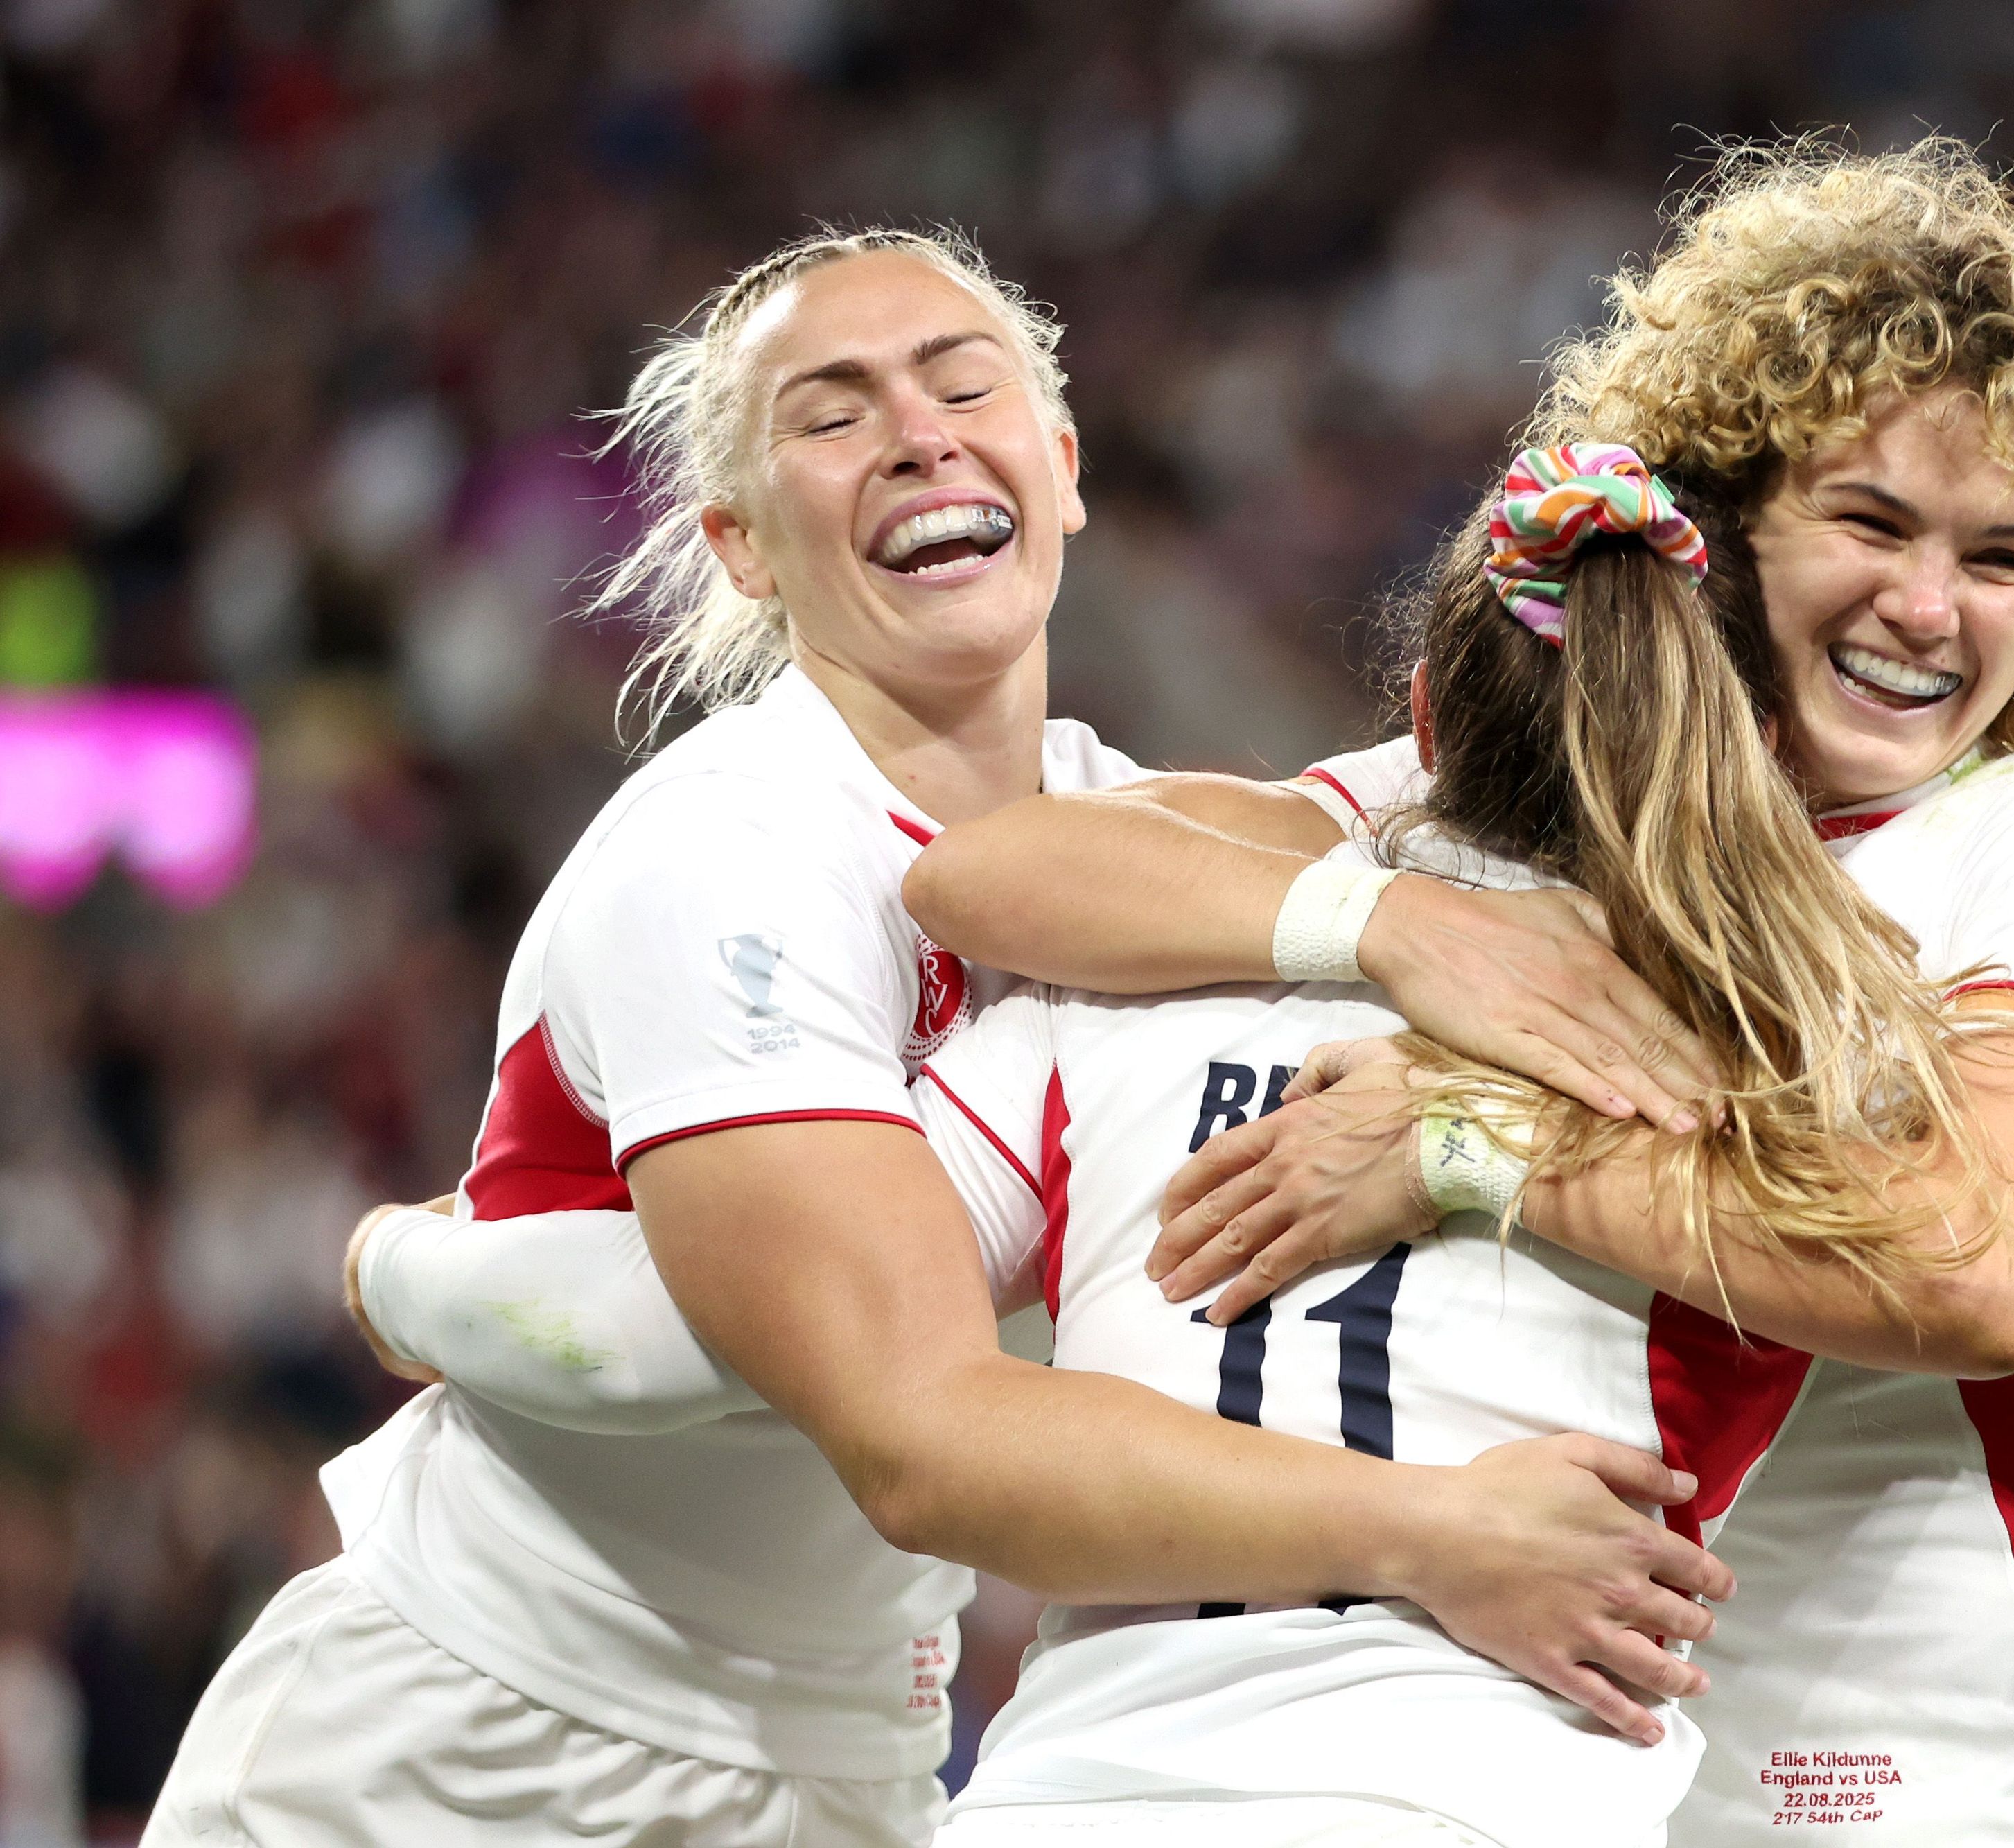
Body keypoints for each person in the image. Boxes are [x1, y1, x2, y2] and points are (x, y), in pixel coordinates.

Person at [903, 140, 2014, 1847]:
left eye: (2003, 557)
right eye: (1867, 518)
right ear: (1718, 525)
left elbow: (2001, 1274)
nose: (1926, 606)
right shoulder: (1528, 815)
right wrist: (1381, 927)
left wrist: (1482, 1139)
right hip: (1597, 1777)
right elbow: (999, 872)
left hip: (1950, 1797)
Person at [143, 226, 1728, 1848]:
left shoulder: (1138, 843)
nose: (917, 431)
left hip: (850, 1758)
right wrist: (1432, 1534)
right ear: (742, 548)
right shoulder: (734, 850)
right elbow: (900, 1422)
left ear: (1062, 464)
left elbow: (1515, 768)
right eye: (830, 417)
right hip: (479, 1735)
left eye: (964, 383)